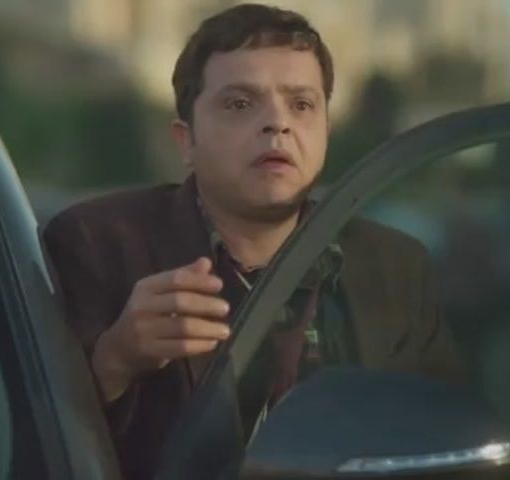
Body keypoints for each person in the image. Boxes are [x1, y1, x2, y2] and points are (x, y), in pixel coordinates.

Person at [42, 4, 460, 479]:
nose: (278, 123)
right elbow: (29, 436)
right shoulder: (97, 244)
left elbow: (447, 443)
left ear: (326, 130)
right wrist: (115, 360)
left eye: (301, 105)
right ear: (186, 141)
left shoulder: (395, 266)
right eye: (240, 104)